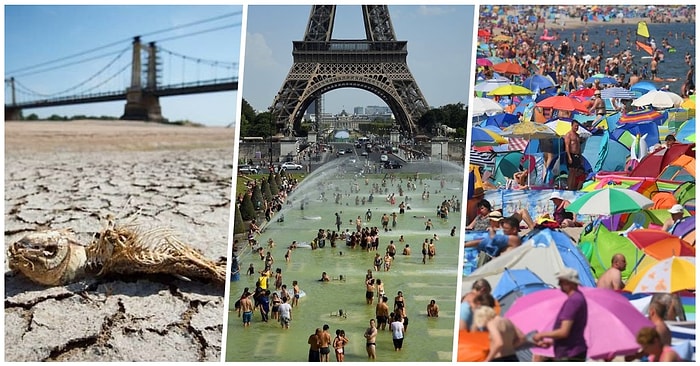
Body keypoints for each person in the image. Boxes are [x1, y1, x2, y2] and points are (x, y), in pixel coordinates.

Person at [533, 268, 588, 361]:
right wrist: (553, 342)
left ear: (569, 283)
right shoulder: (579, 298)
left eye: (561, 282)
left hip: (569, 352)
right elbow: (572, 331)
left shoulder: (573, 301)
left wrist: (541, 335)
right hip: (573, 349)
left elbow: (564, 332)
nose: (559, 285)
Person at [564, 120, 585, 191]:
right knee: (571, 172)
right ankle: (569, 187)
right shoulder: (568, 135)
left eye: (577, 126)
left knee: (575, 172)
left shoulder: (577, 136)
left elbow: (579, 147)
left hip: (577, 155)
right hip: (571, 154)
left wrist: (580, 157)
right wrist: (569, 157)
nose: (576, 127)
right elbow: (567, 146)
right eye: (575, 126)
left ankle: (572, 187)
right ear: (572, 126)